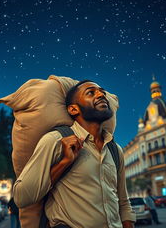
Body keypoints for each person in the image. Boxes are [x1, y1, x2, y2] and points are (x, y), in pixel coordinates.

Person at [13, 80, 136, 228]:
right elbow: (22, 197)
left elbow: (123, 202)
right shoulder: (55, 140)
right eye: (91, 93)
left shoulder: (116, 150)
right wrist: (64, 163)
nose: (101, 95)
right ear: (73, 110)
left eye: (102, 93)